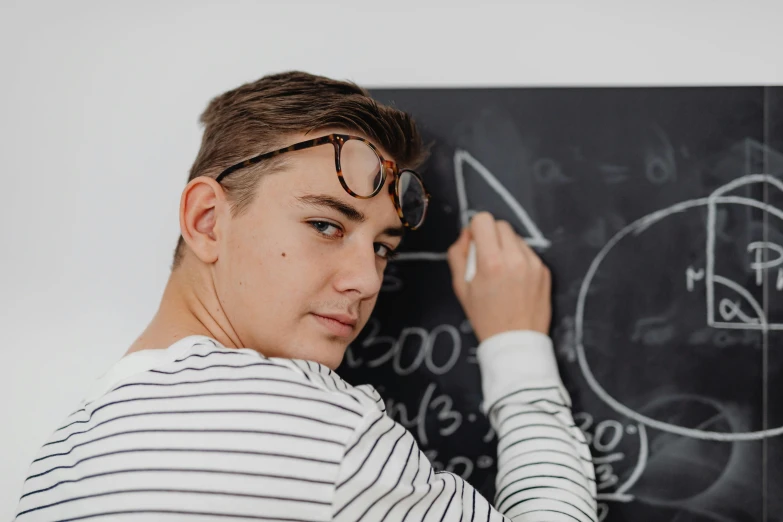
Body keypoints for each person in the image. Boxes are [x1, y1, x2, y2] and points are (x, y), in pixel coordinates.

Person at [14, 71, 596, 521]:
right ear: (208, 219)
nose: (368, 281)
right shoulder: (303, 422)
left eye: (383, 247)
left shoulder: (58, 463)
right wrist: (517, 349)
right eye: (326, 226)